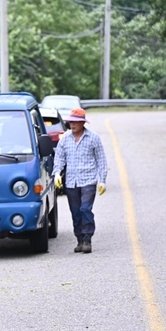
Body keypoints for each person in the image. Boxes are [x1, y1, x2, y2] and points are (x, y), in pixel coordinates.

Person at [52, 108, 107, 253]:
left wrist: (102, 180)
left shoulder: (93, 138)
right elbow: (59, 158)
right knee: (75, 211)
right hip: (71, 182)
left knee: (85, 209)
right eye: (71, 122)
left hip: (88, 180)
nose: (72, 124)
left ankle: (88, 238)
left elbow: (101, 160)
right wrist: (57, 173)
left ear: (82, 123)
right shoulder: (64, 139)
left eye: (76, 122)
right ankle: (79, 239)